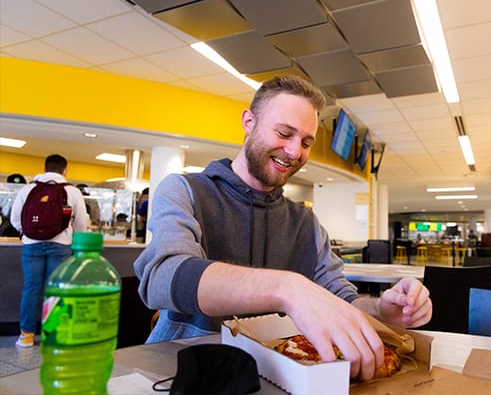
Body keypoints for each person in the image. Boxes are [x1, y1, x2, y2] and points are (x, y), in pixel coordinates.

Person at [134, 75, 432, 382]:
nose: (294, 152)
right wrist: (287, 289)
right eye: (284, 133)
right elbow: (160, 277)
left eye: (306, 142)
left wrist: (382, 309)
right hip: (182, 370)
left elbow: (340, 298)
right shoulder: (185, 190)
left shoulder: (306, 224)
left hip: (278, 376)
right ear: (249, 122)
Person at [9, 154, 88, 347]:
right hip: (61, 245)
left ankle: (26, 336)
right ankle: (53, 334)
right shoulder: (72, 191)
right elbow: (81, 223)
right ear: (65, 170)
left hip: (31, 245)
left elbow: (14, 219)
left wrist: (26, 233)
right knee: (56, 289)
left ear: (44, 168)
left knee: (30, 289)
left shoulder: (29, 189)